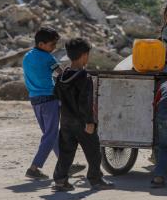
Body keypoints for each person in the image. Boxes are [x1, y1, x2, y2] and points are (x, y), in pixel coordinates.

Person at [52, 38, 114, 191]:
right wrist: (90, 122)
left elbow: (56, 95)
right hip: (81, 122)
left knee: (66, 152)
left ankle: (60, 180)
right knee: (93, 152)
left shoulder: (62, 76)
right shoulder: (85, 77)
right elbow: (85, 103)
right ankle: (96, 179)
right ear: (84, 55)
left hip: (65, 121)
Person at [23, 27, 84, 180]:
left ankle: (66, 165)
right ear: (42, 44)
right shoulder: (48, 58)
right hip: (49, 99)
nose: (54, 48)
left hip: (35, 100)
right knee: (50, 135)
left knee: (52, 134)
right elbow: (61, 74)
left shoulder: (27, 56)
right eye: (52, 45)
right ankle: (34, 168)